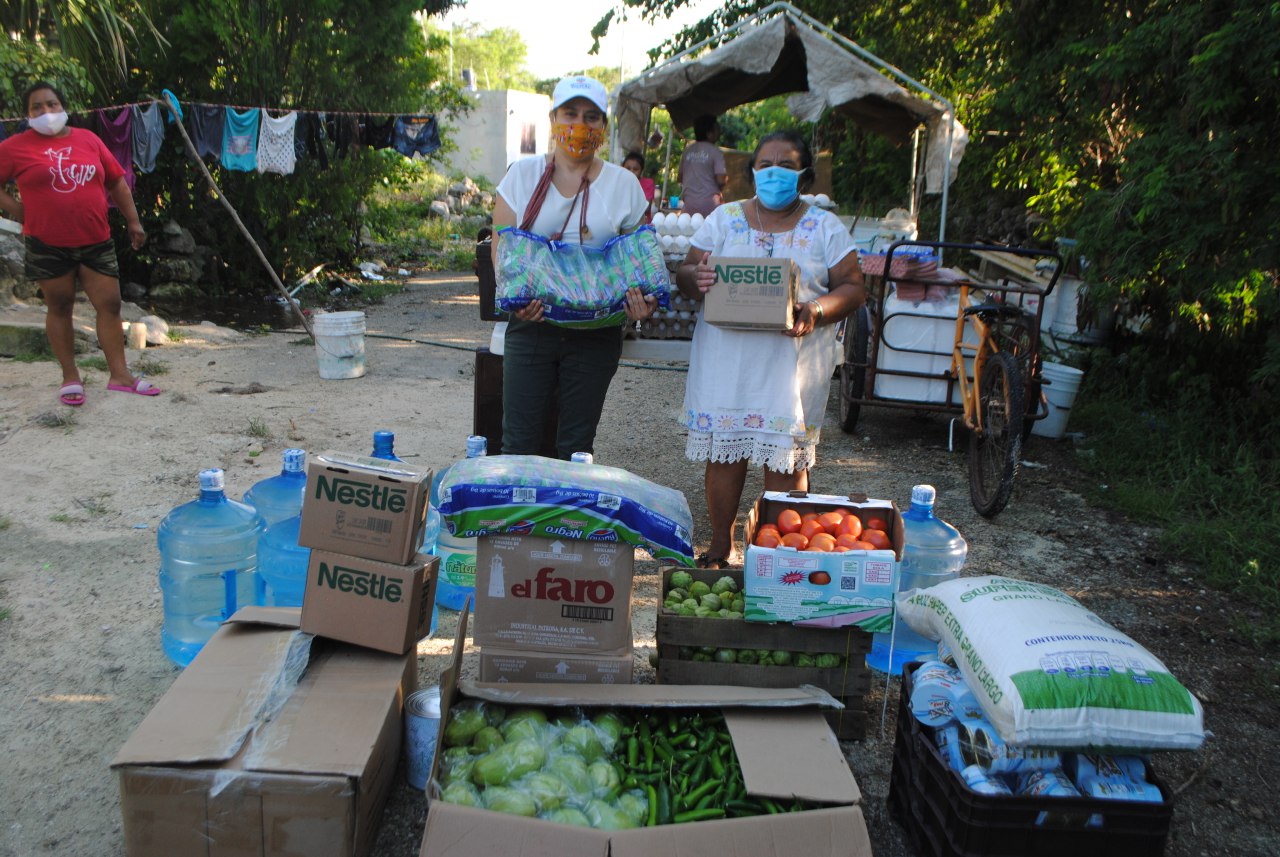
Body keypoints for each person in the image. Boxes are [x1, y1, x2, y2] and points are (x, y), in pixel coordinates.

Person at [675, 131, 865, 568]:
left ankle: (781, 554)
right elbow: (686, 270)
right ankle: (721, 546)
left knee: (784, 459)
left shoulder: (824, 227)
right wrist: (695, 279)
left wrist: (816, 309)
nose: (774, 172)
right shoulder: (724, 219)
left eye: (786, 164)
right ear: (753, 172)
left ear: (804, 174)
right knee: (726, 452)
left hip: (790, 366)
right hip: (728, 361)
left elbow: (854, 288)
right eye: (766, 164)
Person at [491, 75, 656, 459]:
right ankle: (520, 520)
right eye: (569, 113)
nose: (579, 125)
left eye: (591, 116)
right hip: (533, 326)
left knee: (576, 449)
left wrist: (641, 300)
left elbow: (640, 259)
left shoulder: (624, 185)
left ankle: (567, 521)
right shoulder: (522, 175)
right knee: (518, 443)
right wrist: (514, 296)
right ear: (552, 119)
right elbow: (503, 246)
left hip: (596, 333)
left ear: (603, 126)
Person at [0, 82, 153, 406]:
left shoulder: (89, 139)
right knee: (60, 306)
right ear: (27, 115)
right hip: (47, 243)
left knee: (110, 306)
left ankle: (120, 375)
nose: (46, 112)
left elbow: (116, 181)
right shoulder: (15, 147)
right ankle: (71, 378)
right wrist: (16, 210)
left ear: (63, 107)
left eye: (52, 104)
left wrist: (133, 221)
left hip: (95, 240)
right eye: (37, 107)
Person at [677, 114, 728, 217]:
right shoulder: (715, 152)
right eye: (717, 129)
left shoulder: (687, 151)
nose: (720, 132)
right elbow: (721, 180)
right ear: (709, 133)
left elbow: (679, 178)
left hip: (688, 205)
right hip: (710, 205)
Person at [621, 151, 656, 224]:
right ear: (622, 168)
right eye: (628, 168)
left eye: (635, 169)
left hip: (642, 226)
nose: (631, 172)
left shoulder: (648, 183)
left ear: (641, 170)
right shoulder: (620, 184)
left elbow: (646, 208)